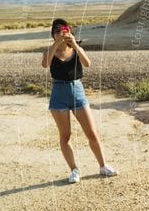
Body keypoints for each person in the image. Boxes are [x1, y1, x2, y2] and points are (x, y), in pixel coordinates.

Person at [41, 18, 118, 183]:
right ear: (52, 36)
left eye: (63, 31)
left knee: (91, 132)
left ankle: (103, 166)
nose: (60, 34)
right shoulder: (49, 52)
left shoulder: (76, 49)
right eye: (56, 32)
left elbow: (88, 63)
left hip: (77, 91)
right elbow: (45, 64)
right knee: (65, 135)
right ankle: (74, 170)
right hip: (59, 93)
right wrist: (56, 44)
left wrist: (74, 44)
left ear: (70, 32)